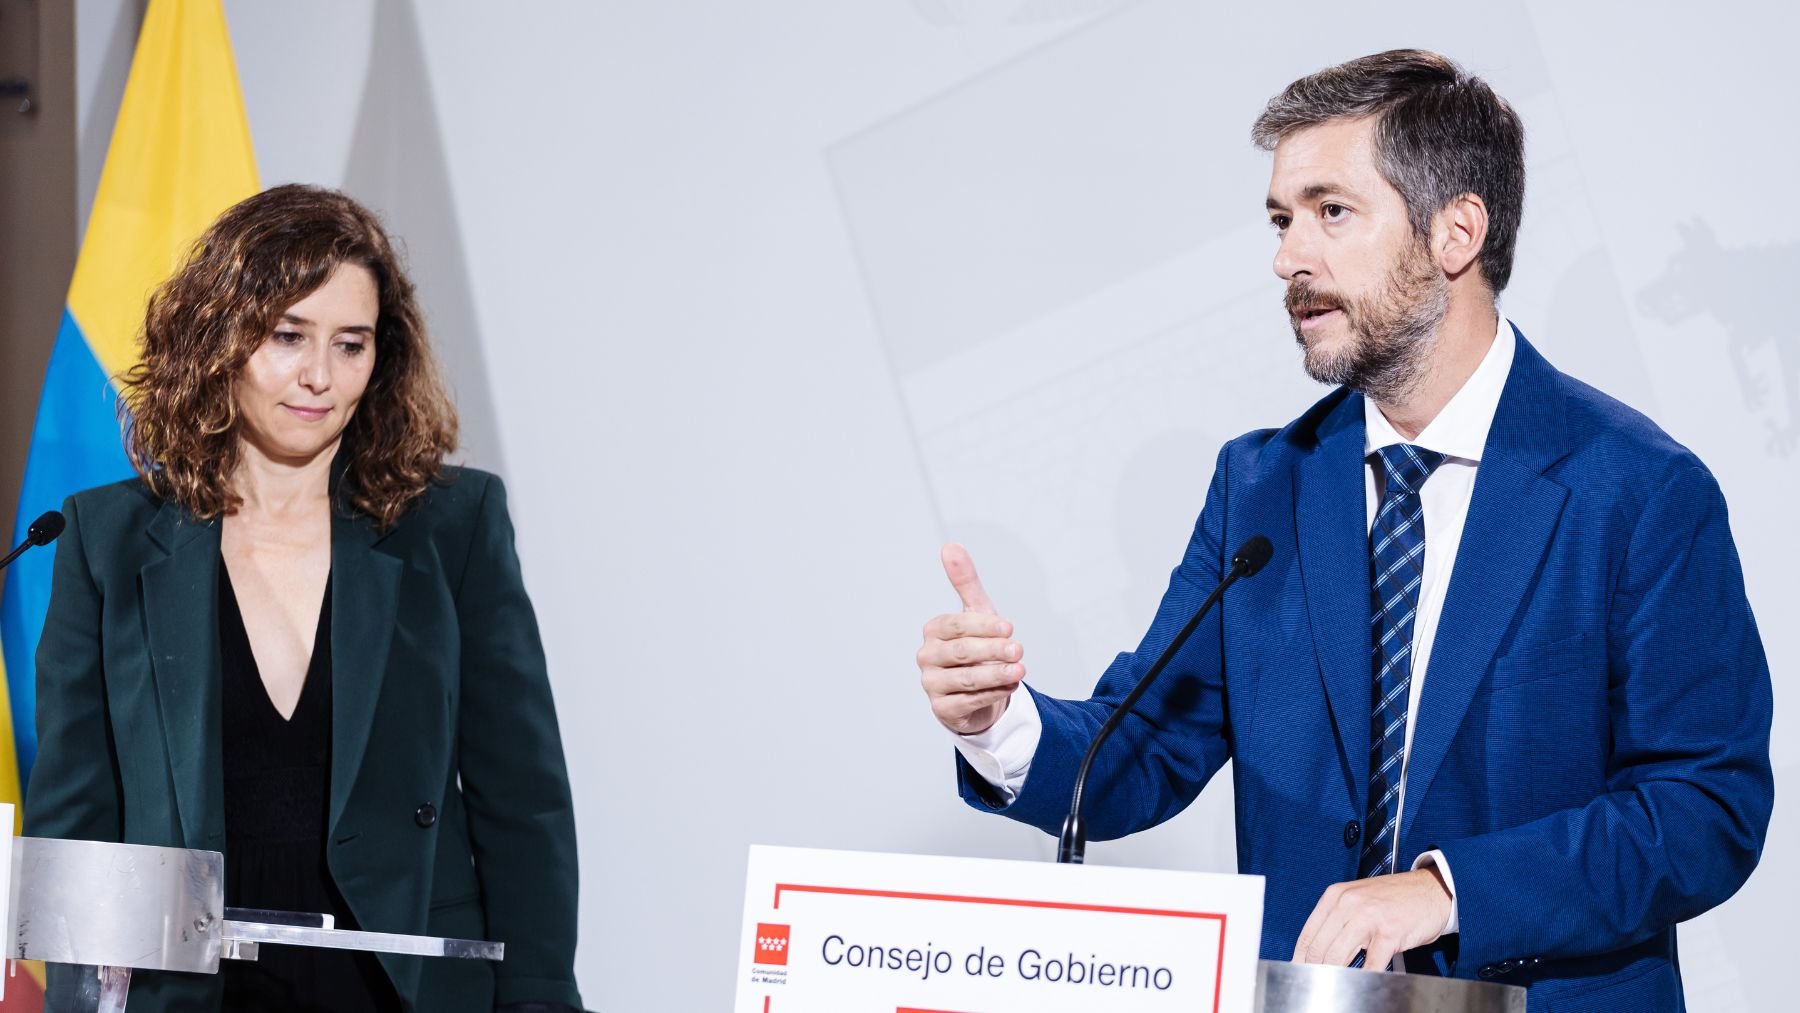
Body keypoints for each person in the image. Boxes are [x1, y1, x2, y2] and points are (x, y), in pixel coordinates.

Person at [916, 50, 1772, 1009]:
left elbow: (1706, 807)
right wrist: (1003, 723)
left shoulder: (1639, 488)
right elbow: (1144, 747)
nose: (1289, 257)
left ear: (1458, 230)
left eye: (1331, 210)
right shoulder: (1260, 486)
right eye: (1282, 220)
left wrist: (1448, 891)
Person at [24, 184, 584, 1012]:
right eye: (288, 335)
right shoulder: (105, 538)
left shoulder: (453, 526)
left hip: (403, 982)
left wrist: (539, 998)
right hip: (188, 990)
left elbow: (523, 804)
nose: (320, 376)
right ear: (218, 337)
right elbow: (78, 825)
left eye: (350, 344)